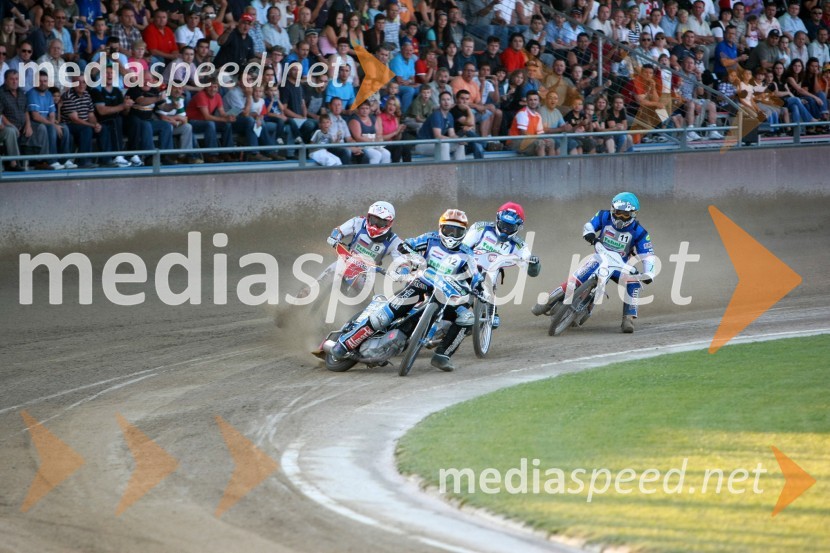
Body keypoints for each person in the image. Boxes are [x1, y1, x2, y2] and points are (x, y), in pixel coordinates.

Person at [330, 208, 480, 373]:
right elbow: (406, 245)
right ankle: (345, 343)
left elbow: (476, 277)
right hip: (421, 284)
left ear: (464, 232)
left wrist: (479, 288)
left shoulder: (467, 254)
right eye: (448, 229)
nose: (451, 235)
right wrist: (412, 258)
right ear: (441, 228)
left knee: (467, 318)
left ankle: (442, 356)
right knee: (384, 316)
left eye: (457, 231)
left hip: (446, 296)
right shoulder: (430, 239)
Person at [431, 202, 541, 365]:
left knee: (488, 287)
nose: (505, 230)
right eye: (503, 225)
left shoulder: (519, 245)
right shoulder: (480, 228)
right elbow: (463, 245)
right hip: (464, 268)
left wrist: (533, 263)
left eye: (509, 227)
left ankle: (489, 310)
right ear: (497, 220)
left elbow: (530, 268)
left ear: (519, 227)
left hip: (489, 279)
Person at [532, 192, 655, 334]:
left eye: (626, 215)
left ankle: (628, 318)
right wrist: (590, 235)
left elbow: (648, 255)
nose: (621, 217)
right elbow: (589, 225)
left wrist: (649, 273)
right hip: (599, 258)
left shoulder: (640, 232)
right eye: (618, 213)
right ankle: (548, 301)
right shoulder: (603, 216)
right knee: (577, 278)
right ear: (612, 210)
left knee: (634, 283)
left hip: (620, 266)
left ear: (633, 214)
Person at [303, 201, 403, 299]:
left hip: (366, 274)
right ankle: (298, 300)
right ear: (368, 217)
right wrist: (335, 238)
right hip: (345, 262)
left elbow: (403, 263)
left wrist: (400, 273)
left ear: (389, 223)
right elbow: (339, 230)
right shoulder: (358, 222)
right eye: (373, 220)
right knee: (316, 285)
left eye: (380, 222)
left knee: (368, 302)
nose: (375, 226)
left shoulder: (395, 242)